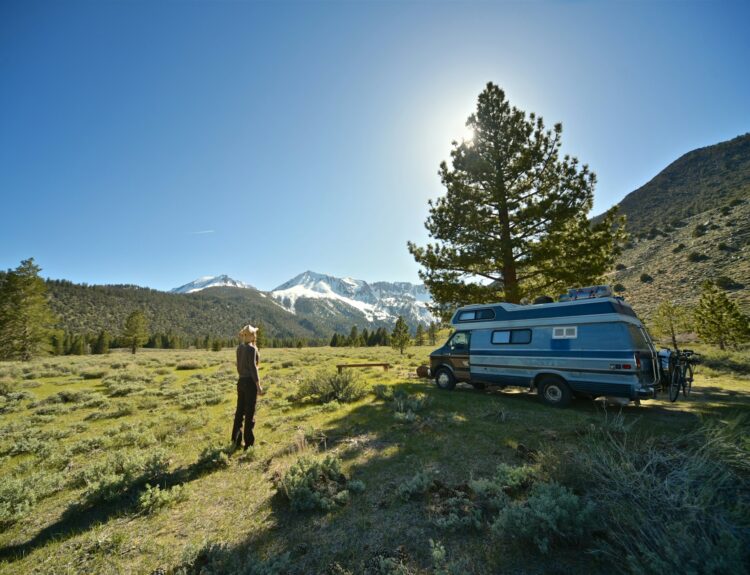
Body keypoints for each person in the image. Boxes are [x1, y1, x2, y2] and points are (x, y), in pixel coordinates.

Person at [232, 324, 263, 450]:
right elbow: (253, 368)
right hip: (250, 383)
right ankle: (249, 444)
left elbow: (239, 366)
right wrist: (258, 385)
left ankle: (235, 440)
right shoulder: (252, 349)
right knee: (250, 413)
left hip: (241, 382)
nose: (255, 335)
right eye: (254, 333)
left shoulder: (239, 348)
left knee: (239, 412)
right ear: (250, 335)